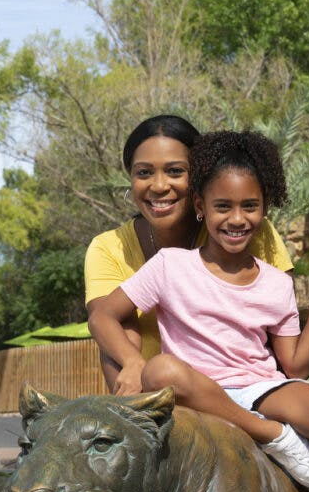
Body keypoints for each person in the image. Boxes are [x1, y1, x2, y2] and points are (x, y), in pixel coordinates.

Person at [87, 130, 309, 492]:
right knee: (161, 370)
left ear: (265, 208)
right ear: (200, 207)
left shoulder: (276, 283)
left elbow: (295, 366)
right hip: (197, 391)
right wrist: (132, 362)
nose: (236, 219)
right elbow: (102, 317)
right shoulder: (170, 266)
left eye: (249, 207)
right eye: (223, 206)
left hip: (260, 389)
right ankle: (276, 438)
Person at [84, 114, 295, 391]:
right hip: (155, 385)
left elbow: (283, 318)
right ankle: (135, 411)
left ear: (199, 177)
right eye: (144, 173)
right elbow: (103, 320)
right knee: (120, 319)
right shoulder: (107, 248)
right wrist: (133, 363)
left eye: (175, 171)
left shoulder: (241, 229)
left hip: (247, 386)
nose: (159, 186)